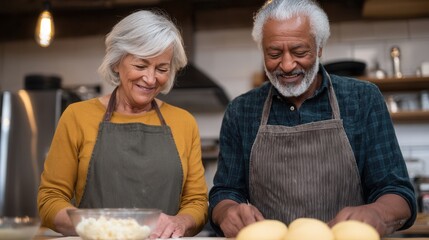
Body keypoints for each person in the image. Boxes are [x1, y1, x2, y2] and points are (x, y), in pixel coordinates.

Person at [208, 0, 417, 237]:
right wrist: (227, 211)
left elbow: (398, 192)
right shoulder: (241, 111)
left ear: (319, 48)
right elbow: (225, 191)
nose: (286, 65)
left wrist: (378, 213)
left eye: (299, 52)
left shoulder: (362, 100)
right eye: (274, 53)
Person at [37, 10, 208, 238]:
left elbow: (196, 202)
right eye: (140, 66)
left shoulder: (184, 122)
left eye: (162, 69)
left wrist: (180, 223)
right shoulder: (77, 116)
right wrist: (96, 227)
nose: (150, 78)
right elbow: (50, 199)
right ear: (117, 62)